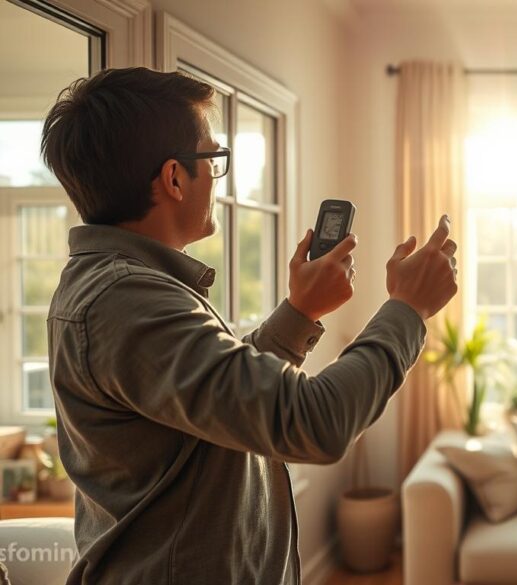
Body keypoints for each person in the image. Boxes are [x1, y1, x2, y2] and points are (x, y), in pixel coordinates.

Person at [40, 67, 457, 584]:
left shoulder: (129, 290)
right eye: (214, 160)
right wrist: (408, 310)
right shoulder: (124, 300)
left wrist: (300, 313)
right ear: (173, 178)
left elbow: (219, 410)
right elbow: (314, 422)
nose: (218, 177)